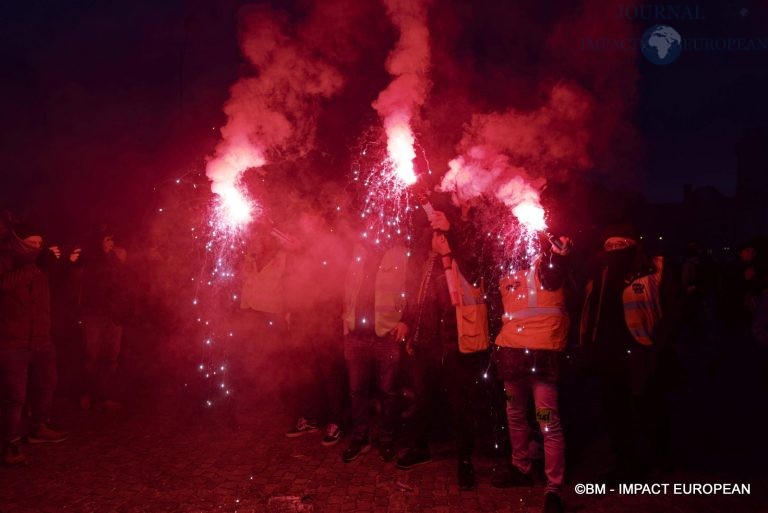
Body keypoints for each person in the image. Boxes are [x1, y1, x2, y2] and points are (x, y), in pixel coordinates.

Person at [396, 203, 510, 490]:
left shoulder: (462, 263)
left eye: (441, 235)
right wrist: (407, 324)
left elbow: (471, 276)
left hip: (456, 342)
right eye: (435, 236)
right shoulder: (426, 265)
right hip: (427, 344)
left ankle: (465, 462)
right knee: (422, 399)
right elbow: (416, 299)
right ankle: (420, 447)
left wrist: (452, 239)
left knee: (461, 405)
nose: (438, 240)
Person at [579, 224, 675, 481]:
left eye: (620, 246)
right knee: (615, 410)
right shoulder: (599, 273)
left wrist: (660, 348)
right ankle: (626, 462)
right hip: (608, 354)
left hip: (641, 350)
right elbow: (591, 314)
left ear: (632, 245)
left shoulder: (654, 270)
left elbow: (672, 311)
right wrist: (588, 348)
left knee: (647, 406)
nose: (614, 251)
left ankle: (661, 456)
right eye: (609, 246)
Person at [491, 234, 572, 513]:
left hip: (543, 355)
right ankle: (521, 467)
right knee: (514, 414)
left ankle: (553, 489)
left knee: (545, 419)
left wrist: (558, 254)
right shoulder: (506, 269)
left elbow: (554, 274)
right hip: (511, 354)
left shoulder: (548, 264)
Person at [0, 222, 72, 466]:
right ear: (19, 242)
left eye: (39, 245)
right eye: (31, 244)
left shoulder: (39, 266)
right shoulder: (6, 260)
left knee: (46, 385)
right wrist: (37, 265)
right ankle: (11, 445)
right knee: (14, 398)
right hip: (12, 341)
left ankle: (38, 427)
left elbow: (61, 285)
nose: (36, 248)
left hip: (41, 339)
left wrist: (70, 264)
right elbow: (4, 284)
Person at [340, 230, 411, 463]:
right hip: (356, 335)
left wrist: (405, 321)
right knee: (356, 391)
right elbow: (347, 288)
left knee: (388, 392)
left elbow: (412, 288)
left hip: (385, 334)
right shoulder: (358, 251)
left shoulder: (401, 253)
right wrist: (345, 321)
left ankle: (387, 439)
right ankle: (360, 438)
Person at [77, 229, 131, 411]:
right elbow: (89, 279)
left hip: (114, 315)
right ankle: (89, 394)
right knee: (91, 356)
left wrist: (123, 311)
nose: (110, 243)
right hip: (93, 314)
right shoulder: (90, 258)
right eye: (106, 239)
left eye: (111, 240)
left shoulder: (117, 258)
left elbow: (124, 283)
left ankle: (105, 396)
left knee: (111, 358)